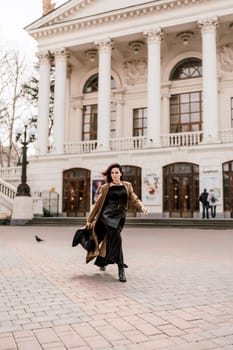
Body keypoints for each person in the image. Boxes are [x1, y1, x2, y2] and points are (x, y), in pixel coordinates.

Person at [86, 163, 147, 282]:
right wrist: (90, 219)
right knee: (117, 239)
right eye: (112, 173)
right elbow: (97, 205)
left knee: (112, 240)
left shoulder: (127, 185)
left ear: (121, 174)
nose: (114, 175)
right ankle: (121, 269)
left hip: (120, 218)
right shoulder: (105, 187)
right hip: (107, 217)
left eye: (116, 172)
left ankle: (102, 261)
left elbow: (134, 198)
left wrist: (142, 207)